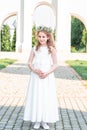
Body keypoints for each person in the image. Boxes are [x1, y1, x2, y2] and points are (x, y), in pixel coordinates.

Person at [23, 27, 59, 129]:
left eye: (43, 36)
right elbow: (29, 62)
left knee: (46, 97)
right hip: (36, 77)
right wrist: (35, 70)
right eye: (39, 36)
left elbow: (56, 64)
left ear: (48, 37)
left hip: (47, 77)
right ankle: (37, 120)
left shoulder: (51, 49)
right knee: (37, 96)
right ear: (37, 37)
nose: (41, 38)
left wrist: (47, 73)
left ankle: (44, 120)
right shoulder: (34, 49)